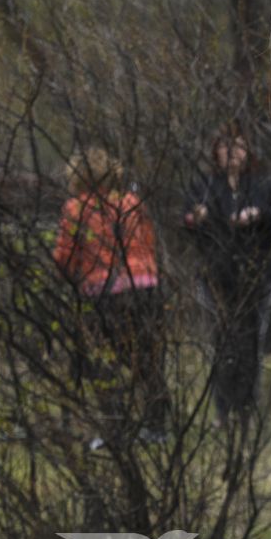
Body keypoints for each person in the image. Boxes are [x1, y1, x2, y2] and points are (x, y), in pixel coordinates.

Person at [181, 129, 271, 426]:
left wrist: (259, 214)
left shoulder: (262, 186)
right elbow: (186, 220)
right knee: (221, 343)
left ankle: (248, 411)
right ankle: (223, 411)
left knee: (252, 343)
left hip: (258, 275)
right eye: (225, 146)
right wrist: (198, 217)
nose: (232, 152)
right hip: (216, 277)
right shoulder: (204, 187)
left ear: (249, 152)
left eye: (240, 146)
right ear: (215, 152)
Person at [53, 148, 167, 441]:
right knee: (144, 357)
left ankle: (115, 425)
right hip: (144, 285)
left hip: (104, 290)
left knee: (102, 359)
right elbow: (149, 241)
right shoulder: (132, 202)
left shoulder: (77, 208)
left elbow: (65, 256)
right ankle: (157, 423)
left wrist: (69, 276)